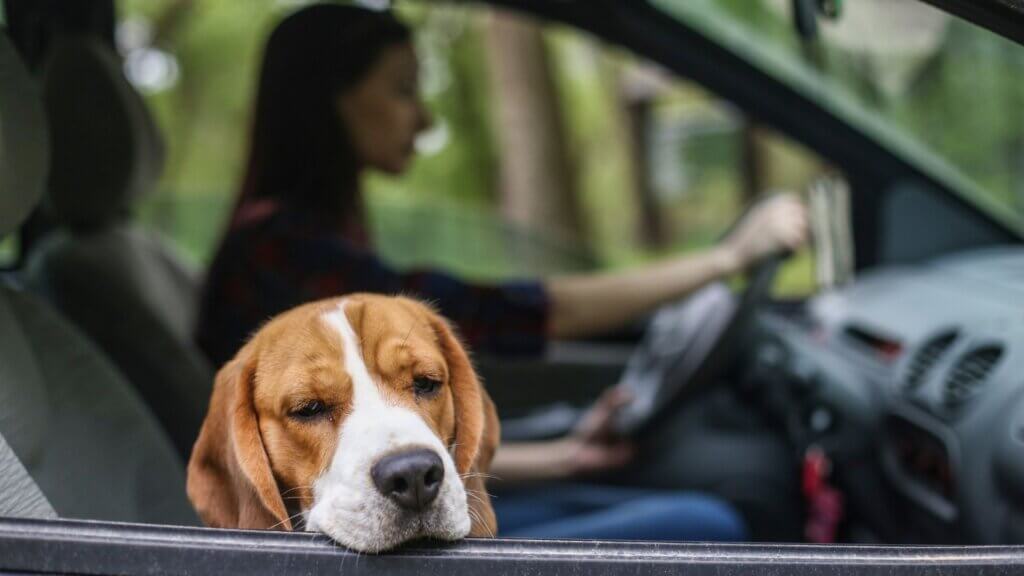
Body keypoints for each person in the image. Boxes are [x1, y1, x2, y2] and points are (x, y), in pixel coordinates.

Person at [196, 4, 808, 541]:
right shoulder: (284, 249)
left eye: (425, 382)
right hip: (346, 523)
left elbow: (394, 433)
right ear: (329, 99)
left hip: (412, 503)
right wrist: (727, 260)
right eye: (404, 89)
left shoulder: (307, 236)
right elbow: (519, 311)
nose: (426, 119)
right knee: (712, 523)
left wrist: (562, 457)